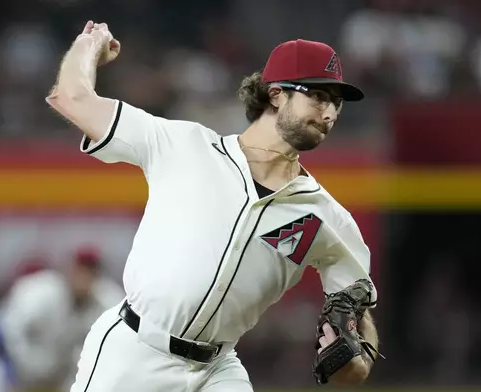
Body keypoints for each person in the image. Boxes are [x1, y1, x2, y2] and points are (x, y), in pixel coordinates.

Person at [46, 21, 380, 392]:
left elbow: (354, 306)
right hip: (135, 353)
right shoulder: (185, 147)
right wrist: (89, 45)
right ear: (276, 94)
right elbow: (71, 97)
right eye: (318, 95)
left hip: (218, 369)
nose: (330, 111)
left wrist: (360, 361)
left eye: (336, 101)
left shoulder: (325, 216)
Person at [0, 247, 125, 392]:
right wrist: (10, 365)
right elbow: (0, 327)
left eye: (91, 272)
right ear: (70, 270)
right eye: (81, 270)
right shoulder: (41, 292)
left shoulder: (105, 300)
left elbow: (123, 339)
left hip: (59, 375)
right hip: (15, 370)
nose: (84, 278)